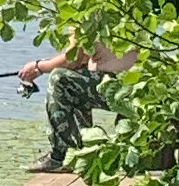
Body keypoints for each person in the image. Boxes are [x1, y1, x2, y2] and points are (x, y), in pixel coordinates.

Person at [17, 43, 127, 171]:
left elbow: (72, 59)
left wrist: (38, 67)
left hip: (119, 88)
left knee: (59, 78)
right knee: (77, 73)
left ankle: (62, 156)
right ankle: (85, 148)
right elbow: (83, 57)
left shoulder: (83, 28)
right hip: (139, 87)